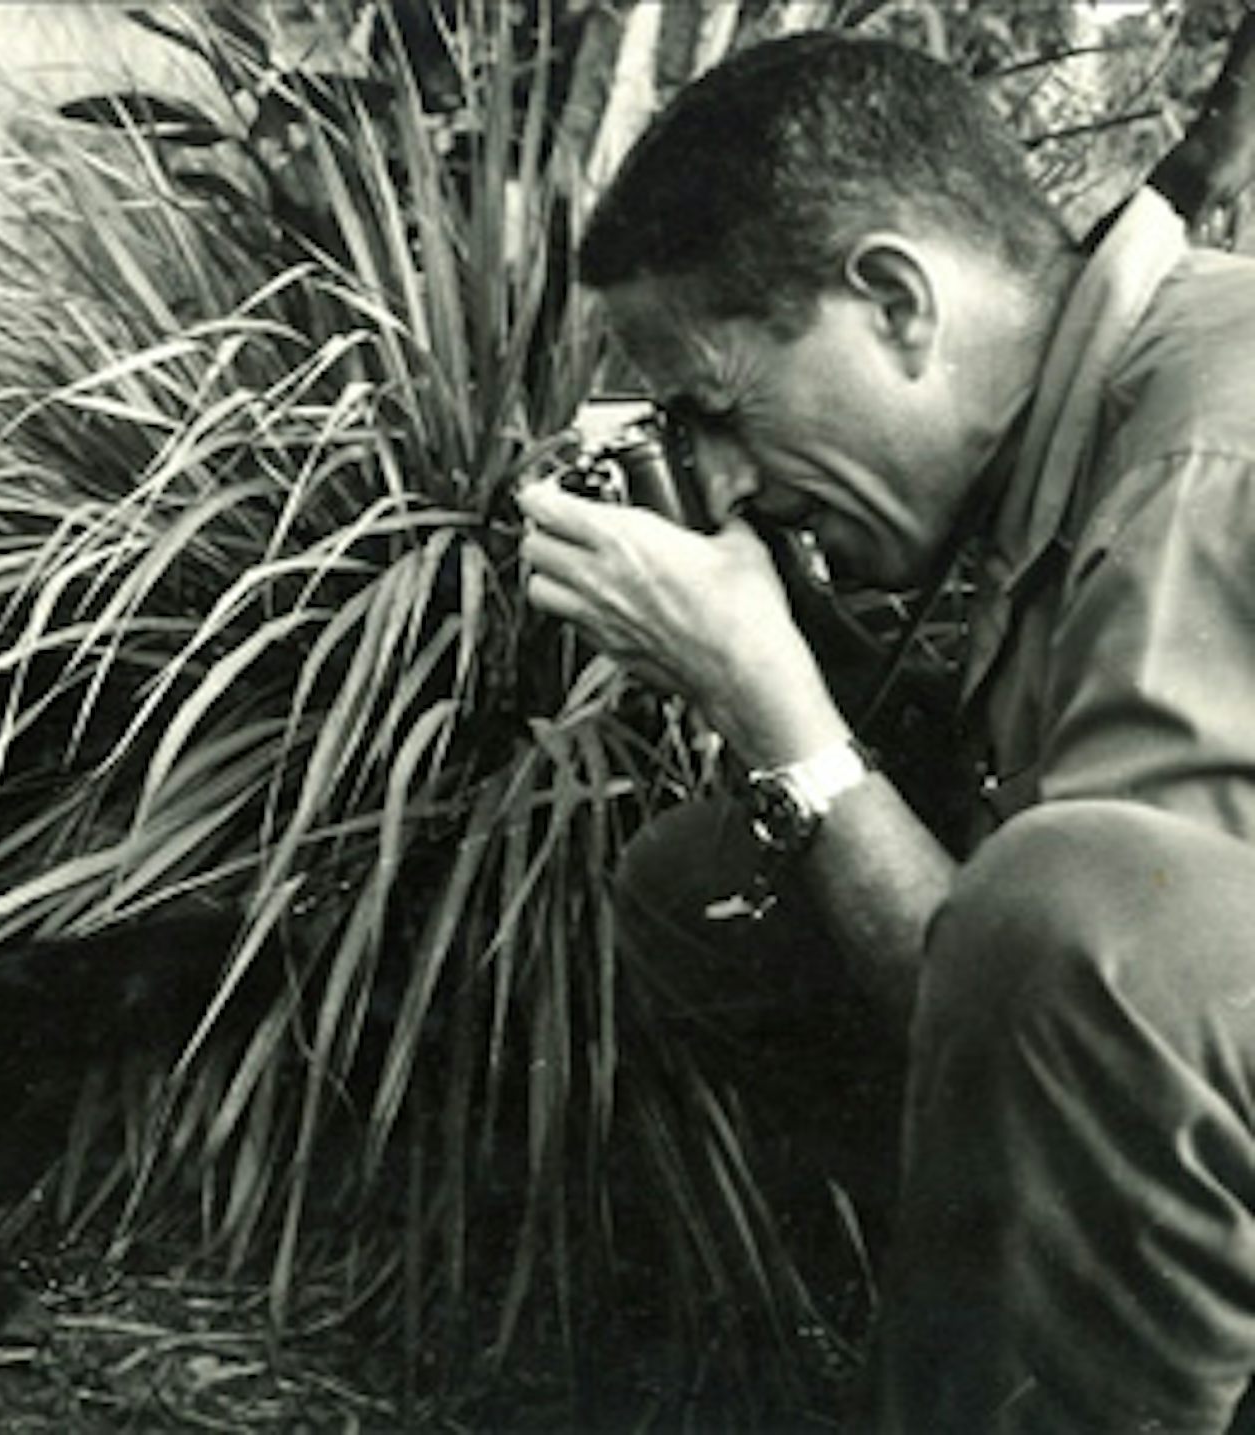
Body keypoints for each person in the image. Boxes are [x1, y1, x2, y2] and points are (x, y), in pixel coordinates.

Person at [518, 31, 1255, 1433]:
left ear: (899, 302)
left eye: (718, 410)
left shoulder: (1203, 473)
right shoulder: (1091, 412)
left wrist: (775, 711)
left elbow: (1094, 1010)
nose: (723, 485)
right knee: (703, 892)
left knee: (1059, 908)